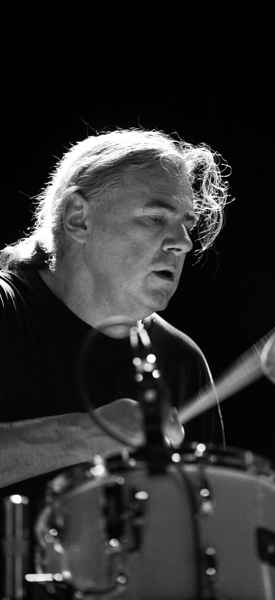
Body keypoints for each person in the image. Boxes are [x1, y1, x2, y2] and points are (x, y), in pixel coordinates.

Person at [0, 128, 229, 502]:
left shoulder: (181, 361)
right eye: (156, 217)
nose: (184, 242)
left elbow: (202, 521)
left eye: (187, 225)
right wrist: (90, 434)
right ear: (78, 218)